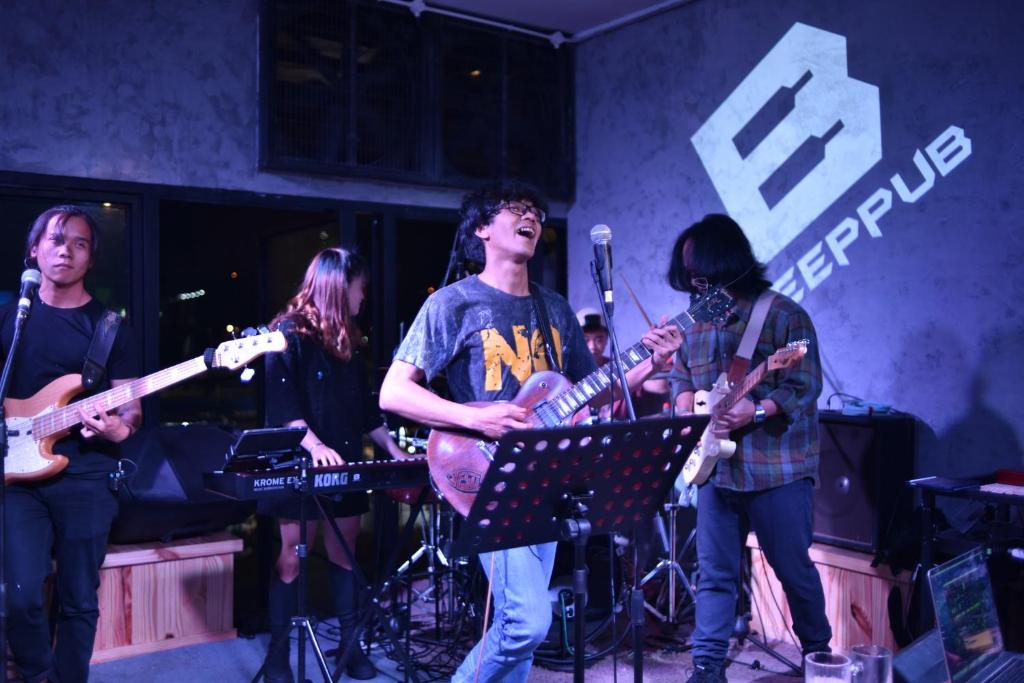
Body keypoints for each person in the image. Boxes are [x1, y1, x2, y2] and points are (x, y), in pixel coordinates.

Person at [379, 181, 681, 683]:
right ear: (482, 229)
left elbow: (593, 392)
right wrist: (477, 417)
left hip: (550, 479)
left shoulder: (554, 308)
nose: (531, 216)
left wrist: (652, 362)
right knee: (525, 623)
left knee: (521, 633)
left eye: (536, 211)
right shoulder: (453, 304)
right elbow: (393, 393)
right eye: (515, 209)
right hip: (487, 475)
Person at [667, 214, 831, 682]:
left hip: (777, 469)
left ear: (726, 262)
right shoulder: (696, 323)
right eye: (689, 275)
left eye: (699, 272)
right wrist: (683, 400)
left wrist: (756, 411)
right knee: (714, 574)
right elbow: (682, 373)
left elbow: (804, 382)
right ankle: (707, 666)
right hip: (716, 470)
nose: (694, 284)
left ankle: (818, 656)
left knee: (792, 569)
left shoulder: (783, 315)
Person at [2, 205, 142, 683]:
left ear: (89, 259)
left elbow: (132, 403)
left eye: (79, 243)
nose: (66, 249)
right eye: (56, 239)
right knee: (20, 595)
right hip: (16, 477)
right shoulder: (9, 320)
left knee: (79, 598)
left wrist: (120, 430)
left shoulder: (110, 327)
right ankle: (36, 674)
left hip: (87, 474)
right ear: (35, 249)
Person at [261, 247, 406, 683]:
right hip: (297, 463)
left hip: (341, 462)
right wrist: (315, 445)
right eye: (361, 289)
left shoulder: (348, 340)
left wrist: (392, 450)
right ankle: (277, 657)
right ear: (341, 287)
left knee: (345, 555)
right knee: (291, 557)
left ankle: (349, 645)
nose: (364, 298)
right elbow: (283, 406)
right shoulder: (285, 334)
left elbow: (365, 410)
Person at [575, 307, 670, 419]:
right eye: (586, 340)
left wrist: (658, 356)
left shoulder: (620, 367)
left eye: (599, 339)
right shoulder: (567, 374)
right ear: (576, 340)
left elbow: (660, 387)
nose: (592, 346)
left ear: (607, 339)